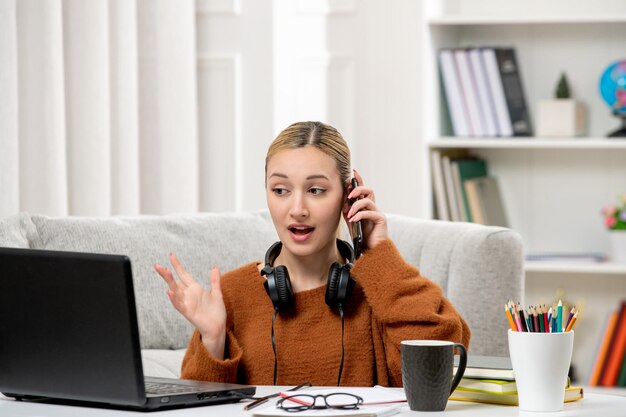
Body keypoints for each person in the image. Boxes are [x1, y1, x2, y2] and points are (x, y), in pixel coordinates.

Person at [154, 121, 470, 387]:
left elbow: (437, 369)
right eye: (281, 190)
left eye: (316, 190)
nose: (297, 209)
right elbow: (196, 411)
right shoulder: (231, 296)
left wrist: (379, 255)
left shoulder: (381, 291)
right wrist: (213, 338)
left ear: (349, 195)